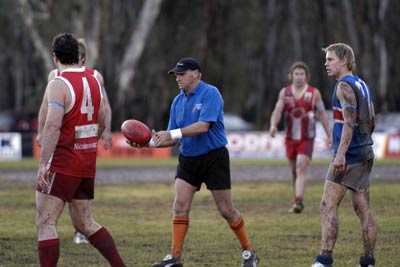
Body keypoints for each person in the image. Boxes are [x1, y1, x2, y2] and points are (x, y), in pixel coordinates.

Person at [130, 57, 259, 267]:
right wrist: (148, 145)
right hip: (188, 158)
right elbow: (172, 138)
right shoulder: (177, 101)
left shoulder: (211, 93)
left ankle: (249, 252)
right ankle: (175, 257)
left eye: (182, 74)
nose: (178, 78)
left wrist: (172, 132)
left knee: (226, 210)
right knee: (179, 205)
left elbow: (203, 126)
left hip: (214, 158)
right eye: (176, 75)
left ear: (196, 74)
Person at [35, 33, 125, 267]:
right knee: (84, 223)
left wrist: (44, 164)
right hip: (86, 161)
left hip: (63, 161)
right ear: (78, 55)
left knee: (46, 221)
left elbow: (53, 125)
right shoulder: (94, 78)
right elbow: (103, 111)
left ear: (55, 57)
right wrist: (102, 132)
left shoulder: (58, 83)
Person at [312, 43, 377, 267]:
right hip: (365, 152)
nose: (326, 63)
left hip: (348, 156)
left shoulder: (343, 86)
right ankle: (368, 261)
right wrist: (365, 142)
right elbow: (371, 119)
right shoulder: (362, 84)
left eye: (330, 59)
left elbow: (349, 123)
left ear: (344, 61)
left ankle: (324, 259)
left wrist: (340, 155)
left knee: (327, 205)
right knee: (362, 209)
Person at [269, 61, 331, 213]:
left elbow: (322, 113)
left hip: (307, 137)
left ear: (307, 76)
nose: (299, 77)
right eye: (296, 74)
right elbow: (278, 110)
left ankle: (298, 201)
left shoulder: (313, 93)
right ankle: (297, 198)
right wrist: (273, 125)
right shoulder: (285, 93)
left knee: (301, 166)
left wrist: (329, 134)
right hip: (290, 137)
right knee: (294, 171)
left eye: (301, 74)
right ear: (291, 76)